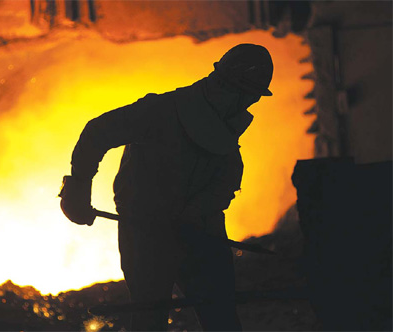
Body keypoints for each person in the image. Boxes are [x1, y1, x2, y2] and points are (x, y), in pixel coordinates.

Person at [59, 43, 273, 331]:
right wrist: (78, 188)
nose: (249, 104)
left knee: (221, 317)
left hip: (201, 230)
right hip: (148, 231)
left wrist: (195, 214)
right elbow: (98, 132)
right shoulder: (160, 112)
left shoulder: (225, 125)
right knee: (150, 316)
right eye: (247, 96)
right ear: (228, 86)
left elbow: (227, 178)